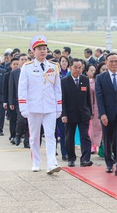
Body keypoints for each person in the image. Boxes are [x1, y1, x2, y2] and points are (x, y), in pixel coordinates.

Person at [18, 35, 62, 174]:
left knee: (50, 135)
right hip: (33, 107)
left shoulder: (53, 67)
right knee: (34, 136)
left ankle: (52, 163)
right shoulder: (27, 67)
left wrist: (58, 106)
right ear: (33, 51)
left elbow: (57, 89)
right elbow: (22, 88)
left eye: (44, 49)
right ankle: (36, 162)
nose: (43, 51)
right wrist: (23, 107)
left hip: (49, 107)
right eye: (39, 49)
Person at [61, 58, 93, 168]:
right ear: (70, 68)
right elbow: (63, 100)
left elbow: (88, 98)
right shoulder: (64, 81)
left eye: (80, 68)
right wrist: (63, 114)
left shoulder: (85, 79)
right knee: (69, 137)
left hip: (83, 114)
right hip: (70, 115)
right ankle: (71, 158)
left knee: (85, 137)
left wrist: (90, 112)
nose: (78, 70)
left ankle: (85, 159)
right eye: (75, 67)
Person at [10, 54, 30, 148]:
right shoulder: (15, 73)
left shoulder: (31, 71)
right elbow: (11, 88)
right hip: (19, 101)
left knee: (29, 122)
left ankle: (27, 141)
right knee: (21, 120)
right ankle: (18, 134)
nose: (24, 61)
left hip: (30, 101)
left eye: (26, 59)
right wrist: (11, 102)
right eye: (22, 59)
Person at [56, 55, 71, 160]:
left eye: (66, 61)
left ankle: (65, 152)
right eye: (62, 61)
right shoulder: (57, 74)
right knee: (55, 131)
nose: (64, 63)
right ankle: (53, 150)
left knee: (64, 132)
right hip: (56, 105)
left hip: (66, 106)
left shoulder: (70, 74)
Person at [86, 64, 102, 154]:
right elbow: (90, 99)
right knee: (94, 129)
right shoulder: (91, 83)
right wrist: (91, 110)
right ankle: (92, 145)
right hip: (95, 109)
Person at [3, 57, 19, 144]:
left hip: (19, 101)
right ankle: (13, 135)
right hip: (11, 101)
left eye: (17, 64)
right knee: (13, 119)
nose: (16, 66)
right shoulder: (7, 75)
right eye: (14, 64)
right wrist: (5, 101)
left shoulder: (21, 73)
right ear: (11, 65)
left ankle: (19, 135)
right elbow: (5, 90)